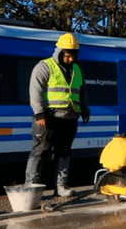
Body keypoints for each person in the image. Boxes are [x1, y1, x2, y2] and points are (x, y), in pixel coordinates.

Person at [24, 33, 90, 197]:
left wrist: (85, 109)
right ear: (60, 52)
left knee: (64, 153)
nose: (71, 59)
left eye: (74, 55)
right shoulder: (44, 67)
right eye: (68, 55)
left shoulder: (77, 69)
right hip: (48, 119)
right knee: (40, 152)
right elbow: (35, 91)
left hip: (69, 119)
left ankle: (61, 186)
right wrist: (39, 113)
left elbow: (82, 91)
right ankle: (31, 186)